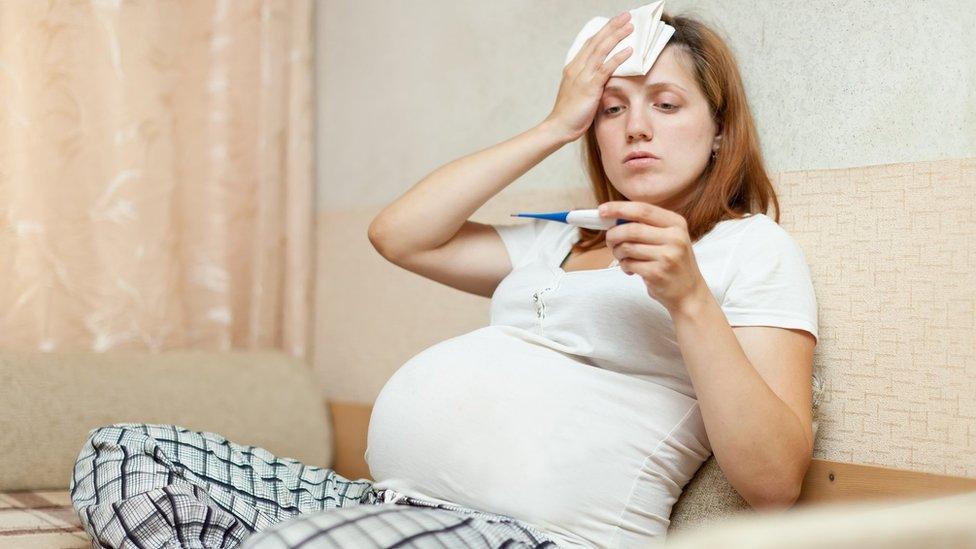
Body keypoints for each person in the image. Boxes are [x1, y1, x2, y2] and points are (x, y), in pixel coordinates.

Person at [70, 9, 819, 549]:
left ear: (720, 128)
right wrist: (555, 123)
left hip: (530, 535)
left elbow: (774, 480)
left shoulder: (749, 250)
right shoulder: (558, 240)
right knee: (123, 457)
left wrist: (687, 297)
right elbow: (398, 233)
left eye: (666, 104)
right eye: (612, 109)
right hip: (390, 502)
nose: (636, 128)